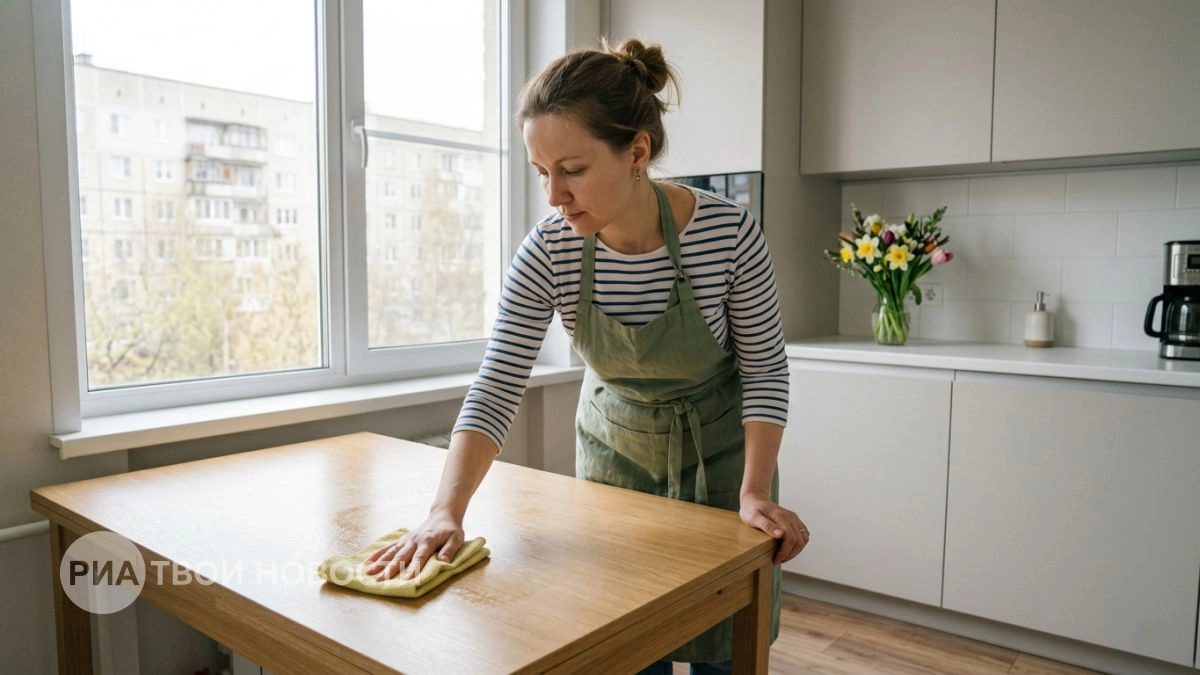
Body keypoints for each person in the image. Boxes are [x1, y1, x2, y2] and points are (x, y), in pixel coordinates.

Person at [365, 37, 809, 671]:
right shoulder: (550, 248)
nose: (554, 195)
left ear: (637, 152)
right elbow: (497, 384)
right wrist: (445, 511)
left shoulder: (728, 235)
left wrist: (756, 491)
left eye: (571, 170)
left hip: (724, 463)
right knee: (628, 643)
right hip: (615, 462)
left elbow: (765, 367)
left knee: (723, 647)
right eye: (542, 172)